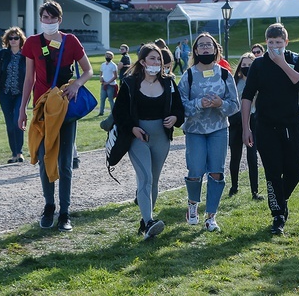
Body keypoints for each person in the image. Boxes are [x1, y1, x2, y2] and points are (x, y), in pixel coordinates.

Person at [18, 0, 94, 232]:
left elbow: (88, 70)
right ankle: (49, 206)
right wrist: (22, 109)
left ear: (59, 19)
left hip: (65, 107)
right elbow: (29, 79)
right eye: (44, 17)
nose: (48, 21)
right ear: (40, 19)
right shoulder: (32, 43)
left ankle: (64, 212)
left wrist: (77, 85)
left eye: (52, 18)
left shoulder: (70, 41)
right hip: (42, 108)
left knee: (64, 163)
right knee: (44, 158)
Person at [241, 23, 299, 235]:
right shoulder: (259, 65)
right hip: (266, 126)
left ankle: (282, 199)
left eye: (278, 43)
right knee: (272, 172)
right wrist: (246, 128)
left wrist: (283, 63)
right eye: (270, 43)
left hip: (292, 124)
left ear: (285, 42)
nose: (274, 46)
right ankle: (278, 215)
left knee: (296, 169)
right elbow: (247, 96)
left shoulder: (296, 60)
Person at [112, 43, 185, 240]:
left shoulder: (169, 82)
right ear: (143, 62)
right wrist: (132, 128)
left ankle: (145, 224)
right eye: (152, 58)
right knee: (145, 178)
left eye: (159, 59)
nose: (156, 62)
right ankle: (150, 221)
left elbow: (179, 109)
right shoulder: (130, 83)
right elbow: (119, 113)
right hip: (138, 137)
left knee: (154, 180)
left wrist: (175, 118)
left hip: (161, 138)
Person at [178, 33, 240, 233]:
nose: (205, 48)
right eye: (201, 45)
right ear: (195, 51)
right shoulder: (188, 75)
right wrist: (198, 104)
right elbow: (179, 106)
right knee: (195, 171)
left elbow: (235, 105)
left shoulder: (224, 74)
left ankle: (211, 216)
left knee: (216, 172)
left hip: (219, 130)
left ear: (215, 50)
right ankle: (193, 205)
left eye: (209, 45)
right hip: (195, 130)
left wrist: (221, 104)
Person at [227, 52, 263, 201]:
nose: (247, 67)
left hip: (253, 120)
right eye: (244, 64)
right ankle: (234, 186)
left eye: (250, 64)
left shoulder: (259, 81)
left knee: (252, 156)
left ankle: (255, 191)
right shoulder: (235, 81)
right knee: (235, 156)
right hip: (236, 121)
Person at [0, 27, 27, 163]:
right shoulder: (3, 54)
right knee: (10, 124)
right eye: (10, 38)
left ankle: (20, 152)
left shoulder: (26, 55)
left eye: (16, 38)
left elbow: (31, 75)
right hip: (5, 93)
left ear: (20, 39)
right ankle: (14, 154)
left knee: (18, 121)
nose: (13, 41)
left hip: (20, 93)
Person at [98, 51, 118, 116]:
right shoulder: (103, 65)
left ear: (112, 57)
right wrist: (101, 78)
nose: (107, 57)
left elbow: (115, 76)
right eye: (106, 55)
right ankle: (101, 112)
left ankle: (113, 112)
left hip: (111, 85)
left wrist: (108, 82)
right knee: (102, 98)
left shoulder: (113, 65)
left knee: (110, 99)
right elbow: (101, 74)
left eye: (109, 56)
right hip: (104, 84)